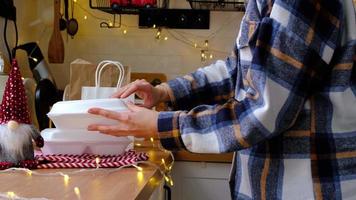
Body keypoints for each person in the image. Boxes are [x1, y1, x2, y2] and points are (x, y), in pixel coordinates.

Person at [87, 0, 356, 199]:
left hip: (311, 189)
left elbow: (262, 112)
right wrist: (166, 93)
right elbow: (237, 70)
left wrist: (161, 125)